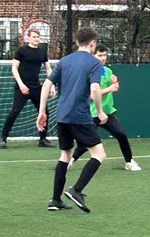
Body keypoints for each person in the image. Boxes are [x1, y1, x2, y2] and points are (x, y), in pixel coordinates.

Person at [37, 26, 107, 212]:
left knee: (65, 156)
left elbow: (46, 84)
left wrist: (41, 111)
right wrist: (100, 112)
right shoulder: (94, 63)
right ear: (92, 43)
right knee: (99, 155)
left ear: (77, 42)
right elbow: (94, 89)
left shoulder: (64, 61)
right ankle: (76, 190)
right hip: (80, 116)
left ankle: (55, 200)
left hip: (62, 116)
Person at [70, 45, 141, 172]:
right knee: (86, 143)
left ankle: (129, 162)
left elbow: (114, 87)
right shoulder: (88, 72)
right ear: (93, 56)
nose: (103, 58)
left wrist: (114, 83)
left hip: (107, 112)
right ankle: (70, 160)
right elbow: (92, 95)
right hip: (92, 113)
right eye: (99, 55)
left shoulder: (107, 71)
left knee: (121, 135)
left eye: (104, 55)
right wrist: (110, 88)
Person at [0, 25, 54, 148]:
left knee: (45, 111)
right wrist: (21, 84)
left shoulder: (42, 52)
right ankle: (3, 138)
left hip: (36, 87)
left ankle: (43, 139)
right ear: (28, 38)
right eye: (34, 37)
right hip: (22, 88)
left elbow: (48, 69)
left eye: (38, 37)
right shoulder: (21, 51)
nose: (36, 39)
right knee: (15, 111)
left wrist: (52, 85)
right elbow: (14, 68)